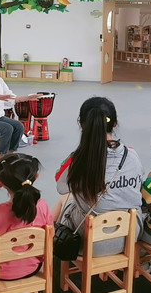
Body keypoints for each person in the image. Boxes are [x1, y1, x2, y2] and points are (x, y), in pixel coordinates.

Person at [52, 96, 146, 256]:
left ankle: (42, 251)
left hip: (91, 242)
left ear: (81, 124)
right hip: (129, 236)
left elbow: (61, 186)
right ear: (115, 123)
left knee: (65, 199)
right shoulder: (131, 154)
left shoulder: (78, 158)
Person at [0, 153, 53, 289]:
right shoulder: (43, 205)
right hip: (33, 268)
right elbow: (50, 234)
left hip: (0, 272)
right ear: (36, 176)